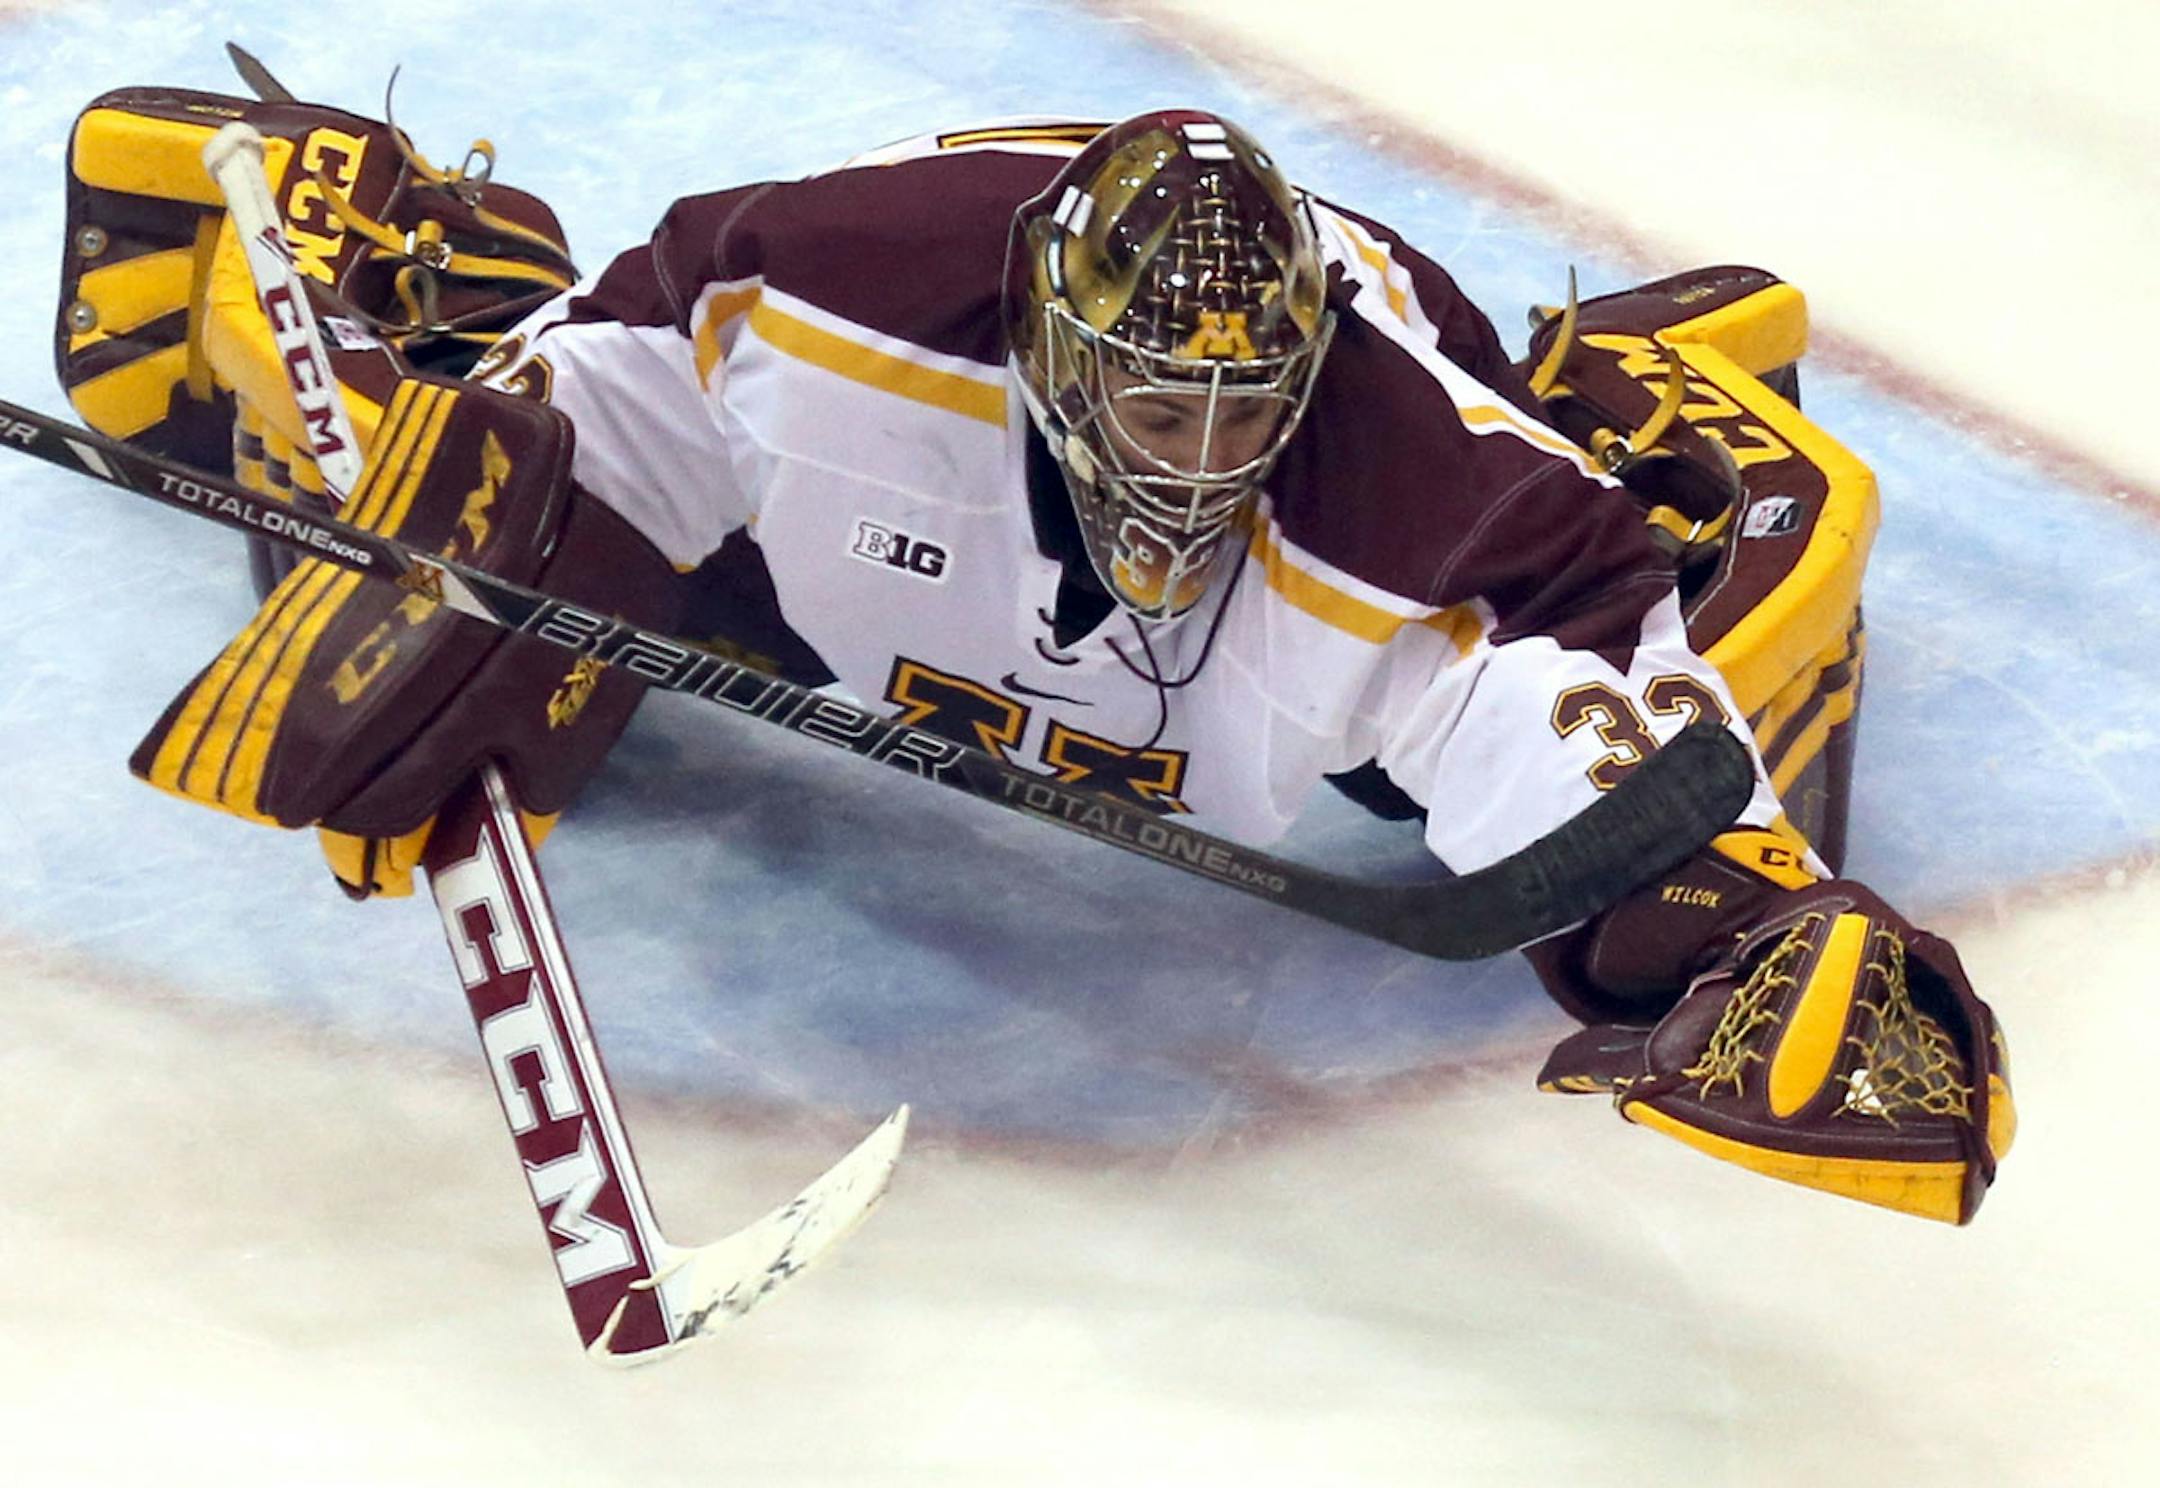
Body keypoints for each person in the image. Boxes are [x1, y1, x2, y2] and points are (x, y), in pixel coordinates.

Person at [109, 103, 2012, 1223]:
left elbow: (1605, 708)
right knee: (415, 465)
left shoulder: (1423, 497)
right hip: (862, 535)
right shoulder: (813, 300)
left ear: (1303, 378)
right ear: (1044, 344)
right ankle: (397, 228)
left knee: (1715, 585)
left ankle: (1633, 382)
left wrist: (1743, 933)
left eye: (1237, 410)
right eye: (1148, 407)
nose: (1192, 460)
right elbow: (590, 411)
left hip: (1375, 553)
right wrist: (456, 558)